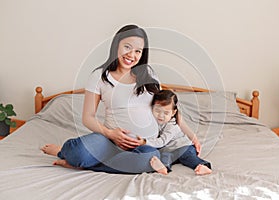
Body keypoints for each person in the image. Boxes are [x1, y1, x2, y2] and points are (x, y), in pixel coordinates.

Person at [41, 24, 201, 174]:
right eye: (127, 47)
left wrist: (192, 137)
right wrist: (110, 134)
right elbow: (87, 117)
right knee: (78, 152)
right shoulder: (100, 76)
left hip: (144, 145)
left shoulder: (149, 75)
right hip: (110, 141)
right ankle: (63, 153)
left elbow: (169, 109)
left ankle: (86, 165)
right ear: (116, 45)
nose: (132, 55)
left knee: (150, 159)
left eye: (138, 51)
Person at [137, 90, 212, 175]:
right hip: (170, 150)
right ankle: (164, 168)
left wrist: (145, 142)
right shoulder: (153, 121)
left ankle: (202, 166)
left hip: (184, 146)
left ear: (173, 113)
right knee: (165, 156)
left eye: (166, 113)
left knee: (187, 156)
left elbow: (162, 142)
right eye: (157, 111)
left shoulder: (172, 126)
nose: (161, 115)